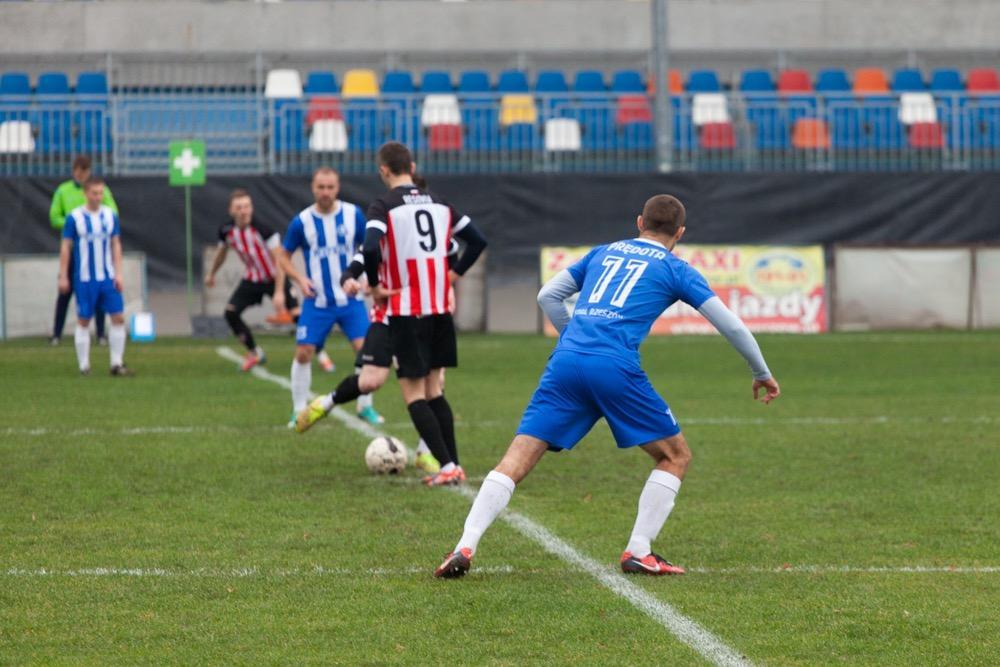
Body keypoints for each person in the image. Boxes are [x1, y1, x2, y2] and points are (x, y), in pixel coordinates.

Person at [434, 194, 781, 578]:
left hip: (566, 363)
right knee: (675, 456)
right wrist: (760, 371)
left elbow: (547, 295)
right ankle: (638, 550)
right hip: (614, 365)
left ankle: (465, 543)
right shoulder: (676, 269)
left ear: (639, 222)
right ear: (680, 233)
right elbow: (730, 324)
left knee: (516, 458)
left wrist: (572, 337)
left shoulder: (602, 252)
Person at [303, 142, 486, 487]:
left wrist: (373, 286)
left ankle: (446, 465)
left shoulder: (384, 206)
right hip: (439, 310)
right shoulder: (441, 204)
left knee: (415, 394)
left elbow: (370, 247)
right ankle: (452, 464)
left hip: (406, 311)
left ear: (383, 170)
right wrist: (454, 275)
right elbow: (477, 240)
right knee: (435, 390)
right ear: (412, 166)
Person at [275, 167, 383, 428]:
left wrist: (368, 279)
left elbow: (369, 248)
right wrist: (299, 279)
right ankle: (299, 409)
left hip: (351, 301)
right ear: (313, 188)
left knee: (366, 353)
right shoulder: (302, 221)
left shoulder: (352, 214)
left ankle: (364, 407)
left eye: (330, 187)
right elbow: (282, 256)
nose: (325, 192)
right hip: (318, 301)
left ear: (338, 187)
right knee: (303, 352)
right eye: (321, 187)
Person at [205, 189, 301, 372]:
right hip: (252, 279)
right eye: (239, 207)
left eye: (247, 206)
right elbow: (221, 254)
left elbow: (280, 260)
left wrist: (279, 292)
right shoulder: (226, 230)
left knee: (298, 316)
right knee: (230, 313)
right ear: (231, 210)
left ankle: (321, 355)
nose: (244, 211)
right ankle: (255, 352)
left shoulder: (264, 230)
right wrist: (211, 274)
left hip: (275, 277)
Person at [57, 177, 132, 377]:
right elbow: (66, 246)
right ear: (86, 193)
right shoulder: (74, 218)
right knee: (84, 320)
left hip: (107, 277)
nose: (98, 197)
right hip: (84, 278)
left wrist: (119, 273)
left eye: (101, 193)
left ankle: (116, 363)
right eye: (95, 193)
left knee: (118, 317)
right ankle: (84, 366)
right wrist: (63, 275)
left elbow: (116, 243)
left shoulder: (110, 216)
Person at [49, 155, 118, 346]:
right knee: (65, 292)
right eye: (79, 172)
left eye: (85, 172)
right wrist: (76, 225)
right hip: (75, 250)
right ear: (74, 171)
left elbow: (113, 213)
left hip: (97, 253)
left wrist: (92, 225)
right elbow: (54, 217)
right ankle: (56, 334)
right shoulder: (63, 191)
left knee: (99, 293)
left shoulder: (100, 191)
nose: (82, 176)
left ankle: (101, 334)